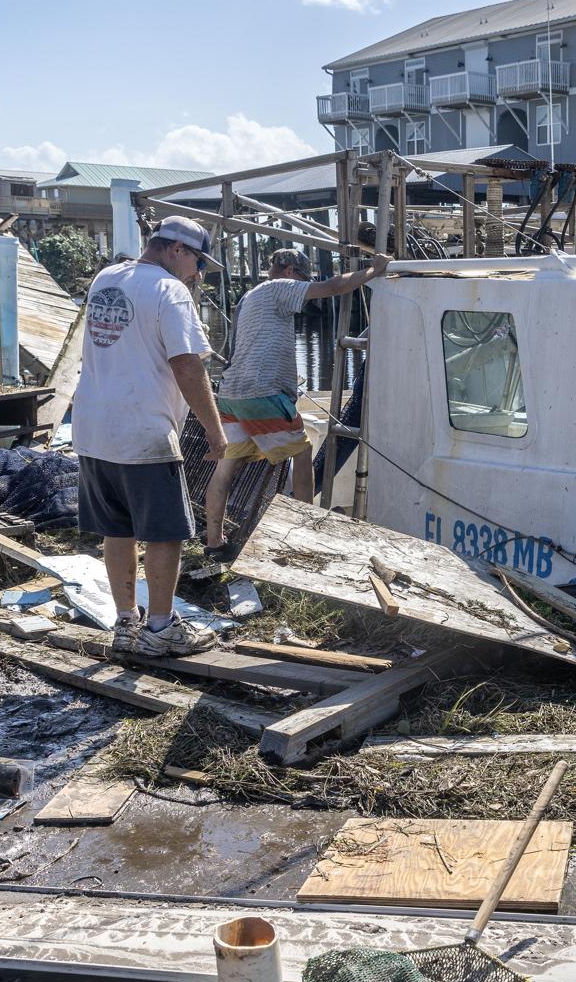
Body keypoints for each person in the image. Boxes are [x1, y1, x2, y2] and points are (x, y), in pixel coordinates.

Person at [71, 216, 227, 656]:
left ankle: (125, 623)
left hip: (93, 425)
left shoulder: (107, 277)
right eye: (196, 260)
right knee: (163, 533)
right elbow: (187, 364)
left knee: (117, 527)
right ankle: (160, 630)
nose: (197, 273)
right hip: (143, 428)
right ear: (176, 250)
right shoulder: (169, 290)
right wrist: (215, 433)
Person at [203, 247, 389, 559]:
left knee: (226, 468)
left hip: (231, 392)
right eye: (303, 279)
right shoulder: (280, 287)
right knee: (303, 454)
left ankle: (214, 544)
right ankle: (305, 537)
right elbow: (332, 287)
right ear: (290, 271)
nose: (304, 287)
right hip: (262, 392)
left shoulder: (250, 297)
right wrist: (373, 271)